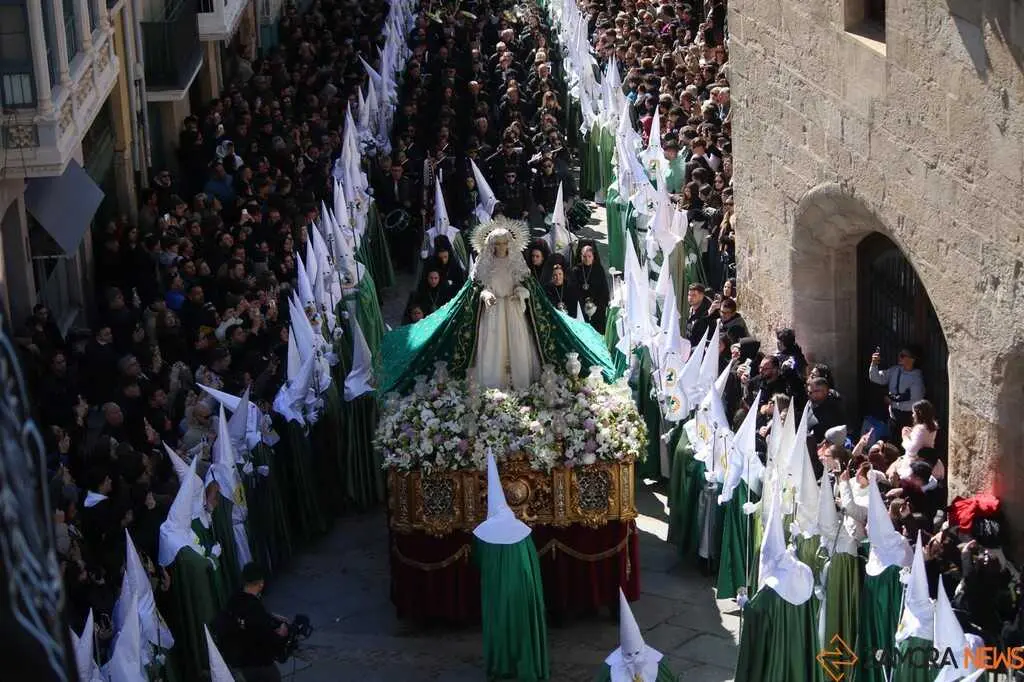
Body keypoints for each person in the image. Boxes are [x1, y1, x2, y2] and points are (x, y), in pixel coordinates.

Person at [472, 219, 542, 390]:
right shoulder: (486, 264)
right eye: (498, 243)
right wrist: (487, 295)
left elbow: (522, 285)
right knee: (493, 347)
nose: (501, 247)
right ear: (492, 245)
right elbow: (482, 287)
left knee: (517, 344)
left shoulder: (514, 262)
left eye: (504, 243)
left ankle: (519, 383)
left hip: (512, 308)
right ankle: (493, 384)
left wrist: (520, 293)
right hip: (494, 311)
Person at [214, 563, 289, 682]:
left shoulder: (234, 599)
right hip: (256, 663)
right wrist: (281, 633)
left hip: (238, 660)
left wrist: (270, 616)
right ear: (261, 583)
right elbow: (266, 637)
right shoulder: (255, 609)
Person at [869, 345, 926, 438]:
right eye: (900, 354)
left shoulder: (917, 378)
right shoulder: (895, 370)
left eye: (903, 355)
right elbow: (876, 378)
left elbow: (913, 399)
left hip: (908, 420)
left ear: (912, 359)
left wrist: (892, 401)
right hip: (893, 418)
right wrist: (874, 364)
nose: (899, 357)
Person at [571, 241, 610, 333]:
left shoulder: (598, 269)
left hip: (597, 307)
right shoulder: (576, 270)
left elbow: (603, 289)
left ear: (593, 257)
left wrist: (595, 305)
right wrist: (583, 304)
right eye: (584, 256)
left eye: (589, 256)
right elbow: (573, 289)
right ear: (581, 256)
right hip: (581, 308)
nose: (587, 259)